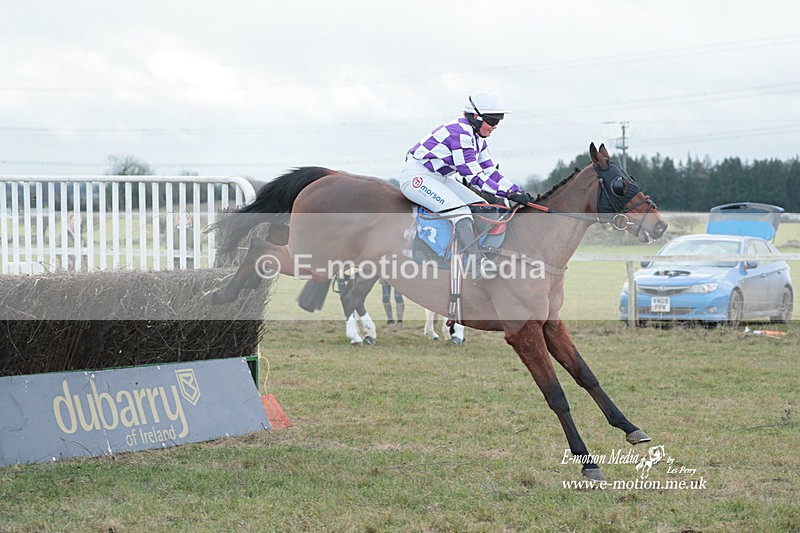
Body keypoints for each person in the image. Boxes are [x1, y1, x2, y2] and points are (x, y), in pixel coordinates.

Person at [398, 90, 533, 278]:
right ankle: (476, 264)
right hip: (417, 176)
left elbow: (490, 171)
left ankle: (481, 254)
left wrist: (516, 191)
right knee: (461, 213)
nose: (495, 126)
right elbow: (475, 178)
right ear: (476, 117)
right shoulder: (460, 133)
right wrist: (508, 194)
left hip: (439, 177)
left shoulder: (477, 139)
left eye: (498, 121)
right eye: (492, 121)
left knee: (483, 208)